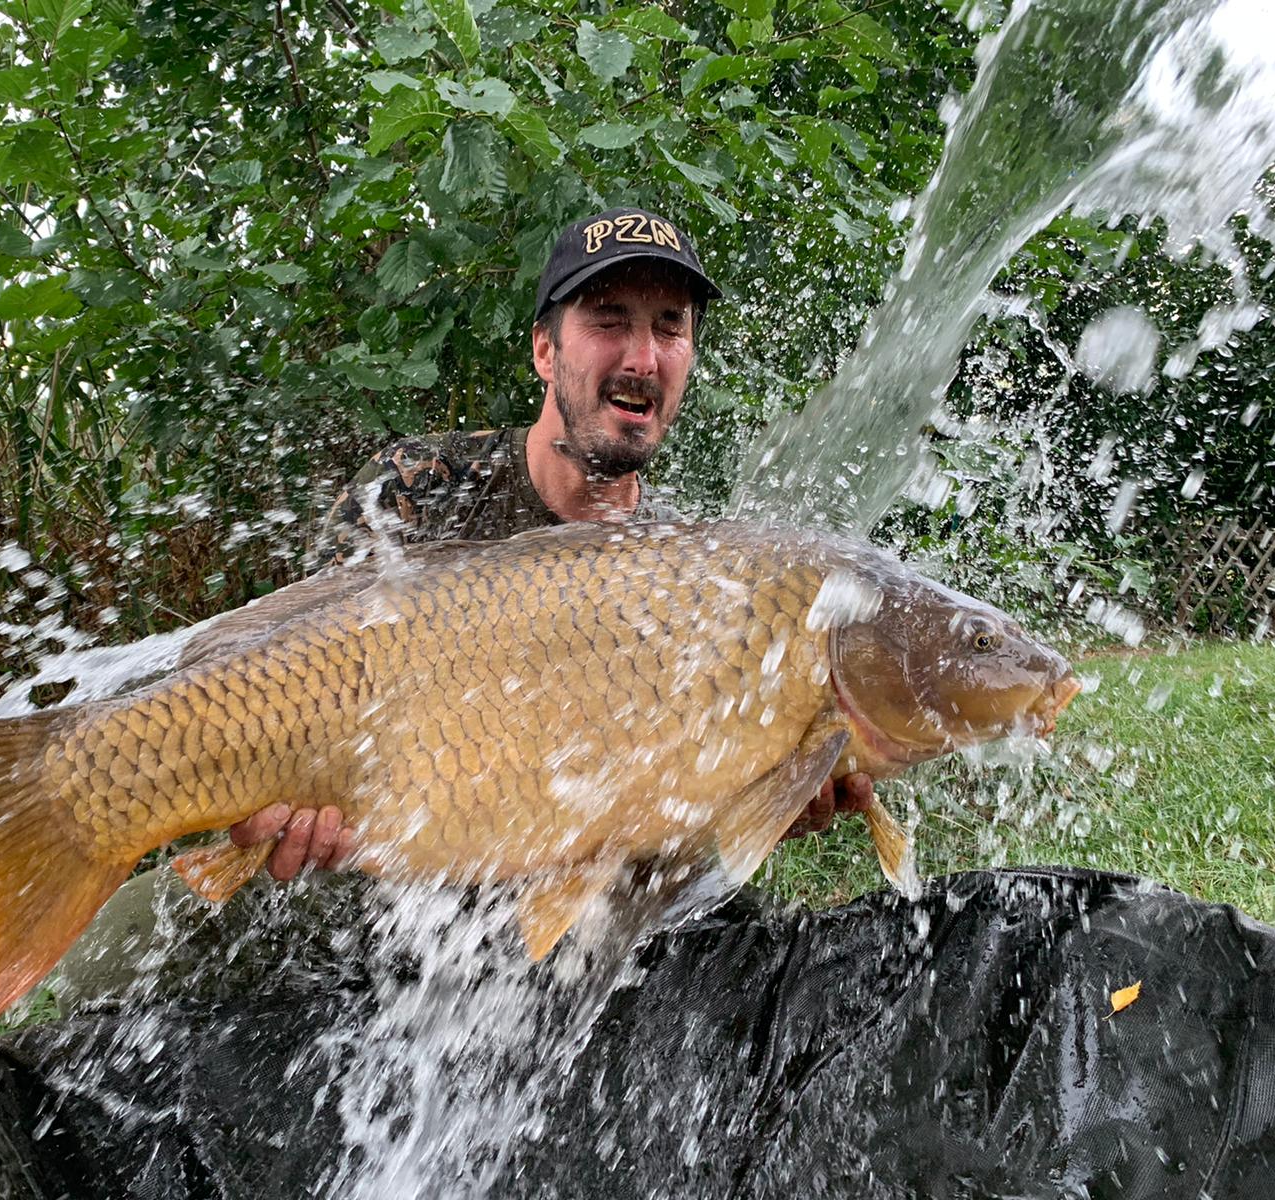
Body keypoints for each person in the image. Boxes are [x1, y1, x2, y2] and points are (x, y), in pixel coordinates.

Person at [230, 206, 875, 881]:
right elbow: (293, 688)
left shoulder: (698, 578)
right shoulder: (418, 492)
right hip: (373, 896)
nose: (643, 357)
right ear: (545, 349)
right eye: (609, 319)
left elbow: (665, 810)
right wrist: (295, 806)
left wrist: (773, 793)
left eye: (669, 326)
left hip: (569, 907)